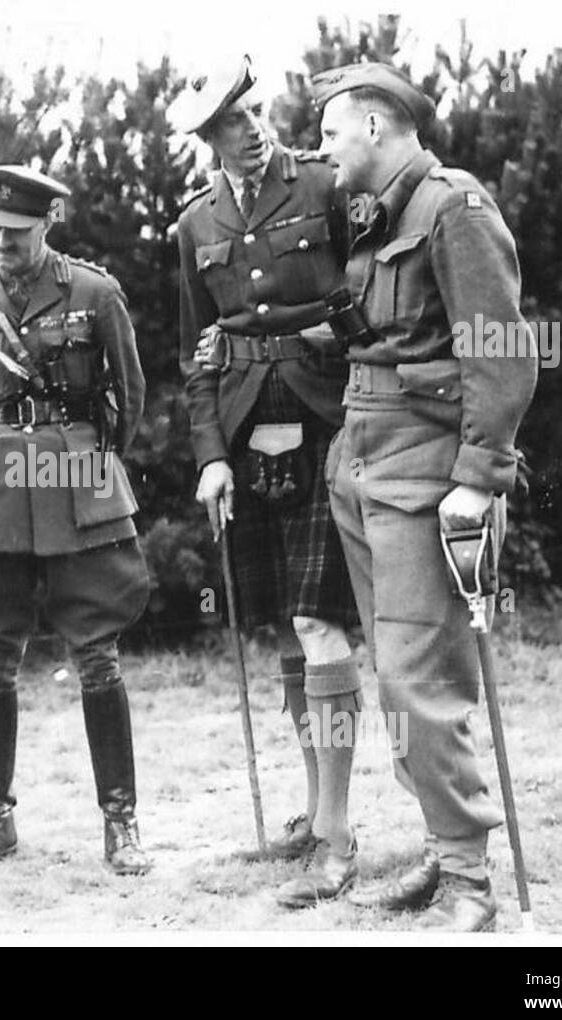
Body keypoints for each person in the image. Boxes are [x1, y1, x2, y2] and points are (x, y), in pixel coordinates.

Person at [311, 62, 538, 931]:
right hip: (363, 457)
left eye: (333, 130)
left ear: (374, 125)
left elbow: (500, 350)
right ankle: (446, 854)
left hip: (424, 471)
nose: (322, 147)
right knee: (395, 674)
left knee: (419, 680)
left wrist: (479, 481)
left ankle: (471, 881)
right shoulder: (377, 217)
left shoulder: (455, 208)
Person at [168, 56, 362, 906]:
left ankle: (339, 833)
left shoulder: (324, 187)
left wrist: (336, 336)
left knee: (322, 623)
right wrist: (210, 455)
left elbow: (370, 295)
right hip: (247, 437)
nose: (245, 132)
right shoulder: (193, 225)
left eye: (247, 115)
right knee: (288, 631)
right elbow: (194, 354)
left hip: (328, 423)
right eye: (224, 125)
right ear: (206, 143)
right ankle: (312, 808)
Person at [0, 164, 152, 875]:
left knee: (97, 652)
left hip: (76, 483)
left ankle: (121, 824)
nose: (0, 243)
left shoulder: (94, 292)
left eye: (15, 233)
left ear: (48, 223)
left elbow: (129, 393)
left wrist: (90, 461)